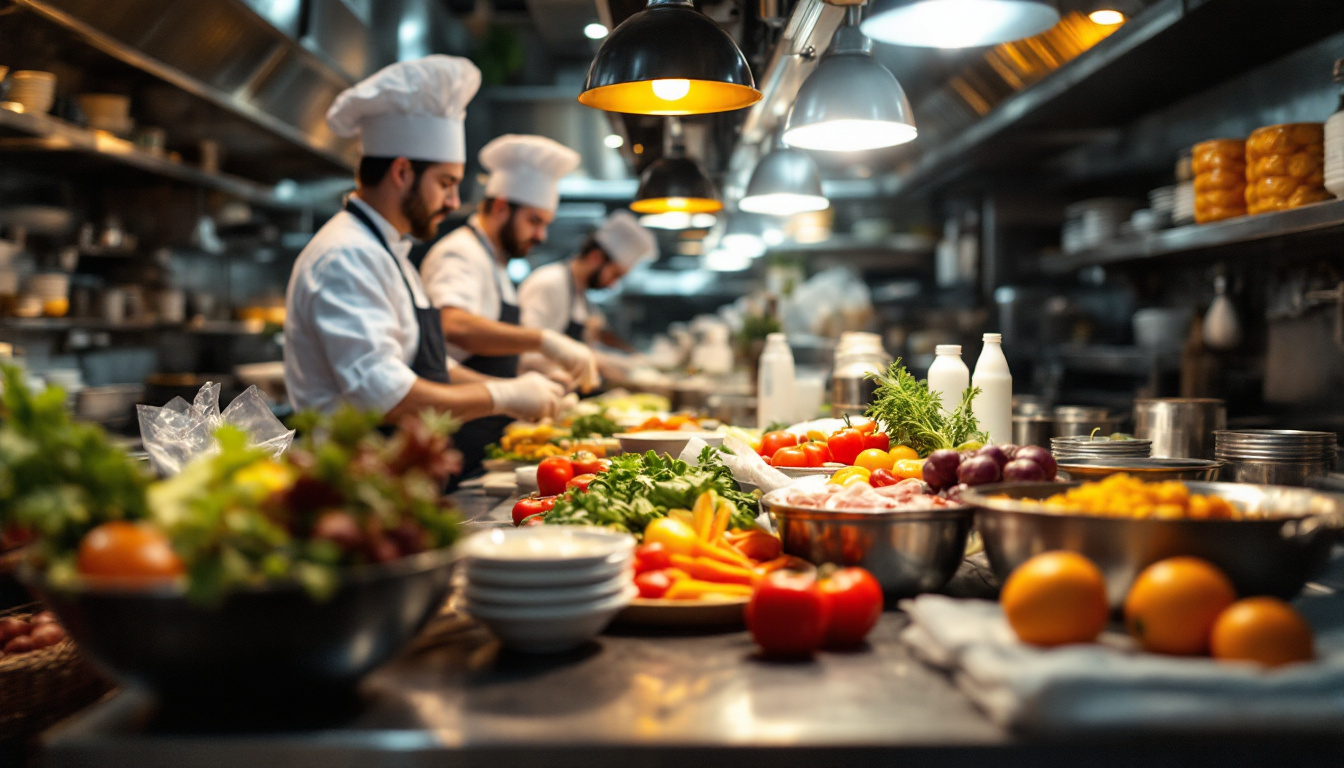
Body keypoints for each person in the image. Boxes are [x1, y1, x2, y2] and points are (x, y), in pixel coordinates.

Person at [283, 56, 564, 434]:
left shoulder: (390, 253)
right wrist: (502, 398)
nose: (452, 203)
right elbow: (387, 397)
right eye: (446, 183)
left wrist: (507, 388)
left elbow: (425, 365)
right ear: (401, 172)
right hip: (351, 482)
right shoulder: (347, 256)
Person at [419, 134, 596, 476]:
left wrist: (532, 378)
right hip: (455, 434)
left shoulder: (495, 264)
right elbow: (453, 323)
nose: (542, 235)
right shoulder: (461, 253)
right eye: (535, 221)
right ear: (501, 207)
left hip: (484, 432)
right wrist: (542, 339)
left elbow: (493, 354)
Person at [516, 210, 657, 379]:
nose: (614, 283)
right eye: (615, 274)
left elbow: (593, 343)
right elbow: (523, 349)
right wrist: (561, 371)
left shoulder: (582, 297)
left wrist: (611, 362)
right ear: (596, 257)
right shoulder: (549, 283)